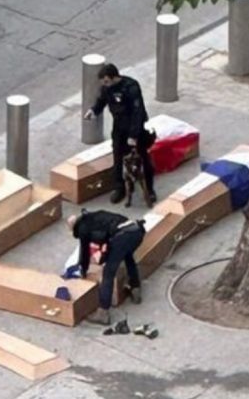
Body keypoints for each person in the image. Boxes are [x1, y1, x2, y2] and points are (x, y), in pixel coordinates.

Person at [84, 63, 156, 205]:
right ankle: (119, 188)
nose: (105, 85)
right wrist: (93, 111)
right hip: (119, 128)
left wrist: (133, 136)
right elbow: (102, 101)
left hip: (134, 128)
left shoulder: (131, 87)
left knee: (142, 158)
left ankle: (150, 189)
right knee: (117, 158)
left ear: (113, 77)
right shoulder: (107, 88)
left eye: (106, 81)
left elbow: (138, 112)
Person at [67, 209, 145, 325]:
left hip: (123, 236)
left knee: (108, 273)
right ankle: (135, 289)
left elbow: (85, 253)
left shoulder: (83, 228)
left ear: (74, 228)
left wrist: (83, 270)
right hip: (137, 231)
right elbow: (106, 238)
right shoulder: (96, 216)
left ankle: (103, 312)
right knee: (128, 256)